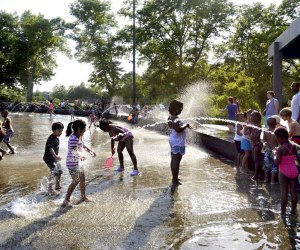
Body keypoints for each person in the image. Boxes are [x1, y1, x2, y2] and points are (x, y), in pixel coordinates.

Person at [62, 119, 96, 208]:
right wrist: (80, 155)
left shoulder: (77, 137)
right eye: (84, 130)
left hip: (77, 162)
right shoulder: (73, 138)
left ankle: (83, 197)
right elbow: (74, 150)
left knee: (82, 177)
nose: (85, 131)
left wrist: (90, 151)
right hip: (72, 163)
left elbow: (82, 145)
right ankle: (66, 200)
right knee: (76, 180)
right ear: (79, 129)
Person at [274, 127, 298, 217]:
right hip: (294, 170)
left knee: (284, 191)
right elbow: (295, 157)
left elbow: (277, 162)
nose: (277, 140)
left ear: (281, 137)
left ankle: (283, 212)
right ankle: (293, 211)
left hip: (284, 171)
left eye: (277, 138)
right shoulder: (293, 146)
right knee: (293, 191)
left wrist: (275, 155)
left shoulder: (281, 149)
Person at [168, 100, 192, 186]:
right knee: (176, 161)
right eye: (180, 108)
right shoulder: (176, 119)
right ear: (176, 109)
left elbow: (172, 127)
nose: (181, 110)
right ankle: (175, 180)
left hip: (172, 139)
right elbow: (178, 129)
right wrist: (186, 125)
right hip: (178, 141)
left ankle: (174, 177)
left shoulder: (170, 117)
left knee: (174, 159)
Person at [43, 122, 64, 196]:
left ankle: (57, 185)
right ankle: (50, 188)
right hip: (48, 158)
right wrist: (55, 156)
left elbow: (56, 148)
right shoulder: (51, 138)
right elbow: (50, 148)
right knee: (54, 170)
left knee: (60, 170)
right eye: (59, 131)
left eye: (61, 131)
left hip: (54, 158)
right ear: (54, 130)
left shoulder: (57, 138)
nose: (61, 133)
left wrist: (56, 156)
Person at [262, 117, 278, 184]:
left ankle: (266, 179)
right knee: (274, 166)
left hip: (267, 150)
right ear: (276, 124)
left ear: (267, 124)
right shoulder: (276, 132)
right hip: (274, 150)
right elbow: (278, 141)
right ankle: (272, 181)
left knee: (266, 165)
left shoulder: (265, 131)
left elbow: (264, 141)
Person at [249, 110, 263, 180]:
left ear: (257, 118)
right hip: (254, 144)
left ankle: (256, 175)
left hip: (257, 144)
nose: (250, 117)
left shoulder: (258, 126)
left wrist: (250, 129)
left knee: (256, 160)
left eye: (252, 116)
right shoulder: (253, 125)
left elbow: (257, 136)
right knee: (255, 159)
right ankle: (259, 174)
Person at [241, 109, 253, 173]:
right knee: (247, 154)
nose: (249, 117)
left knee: (247, 155)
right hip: (245, 140)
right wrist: (250, 131)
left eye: (251, 115)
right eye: (248, 115)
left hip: (249, 140)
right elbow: (244, 133)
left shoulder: (253, 123)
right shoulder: (247, 123)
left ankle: (246, 168)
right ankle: (242, 168)